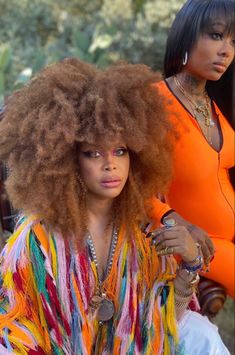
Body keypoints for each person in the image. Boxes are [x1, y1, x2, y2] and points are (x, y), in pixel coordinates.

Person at [0, 58, 229, 354]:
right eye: (93, 153)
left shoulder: (145, 231)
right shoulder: (37, 239)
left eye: (119, 151)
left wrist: (189, 265)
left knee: (201, 333)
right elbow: (20, 324)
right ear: (67, 161)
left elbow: (163, 319)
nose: (110, 165)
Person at [150, 0, 235, 299]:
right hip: (194, 245)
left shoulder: (217, 105)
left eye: (234, 41)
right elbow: (128, 186)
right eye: (216, 35)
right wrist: (177, 222)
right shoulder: (155, 103)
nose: (226, 50)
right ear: (186, 36)